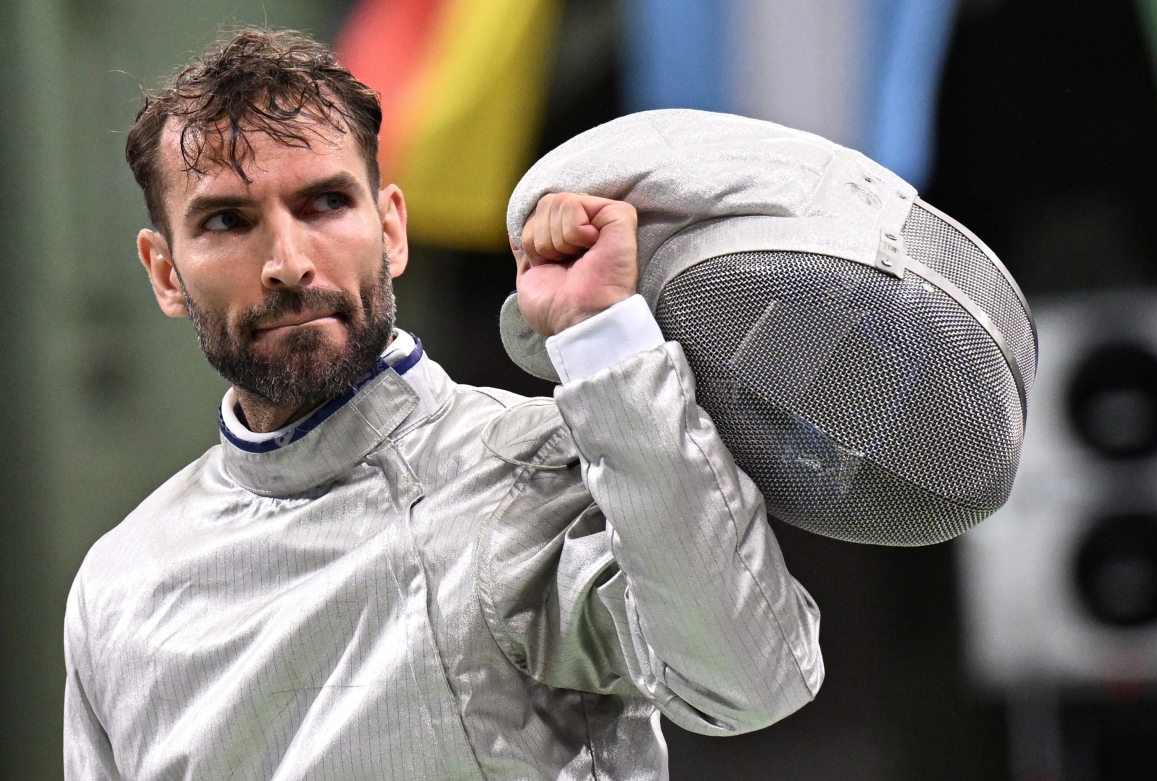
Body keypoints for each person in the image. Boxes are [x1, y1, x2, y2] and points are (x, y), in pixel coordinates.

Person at [63, 29, 822, 780]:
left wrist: (606, 342)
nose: (287, 264)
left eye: (325, 203)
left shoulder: (533, 473)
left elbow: (754, 680)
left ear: (391, 230)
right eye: (227, 221)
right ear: (165, 272)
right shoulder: (122, 583)